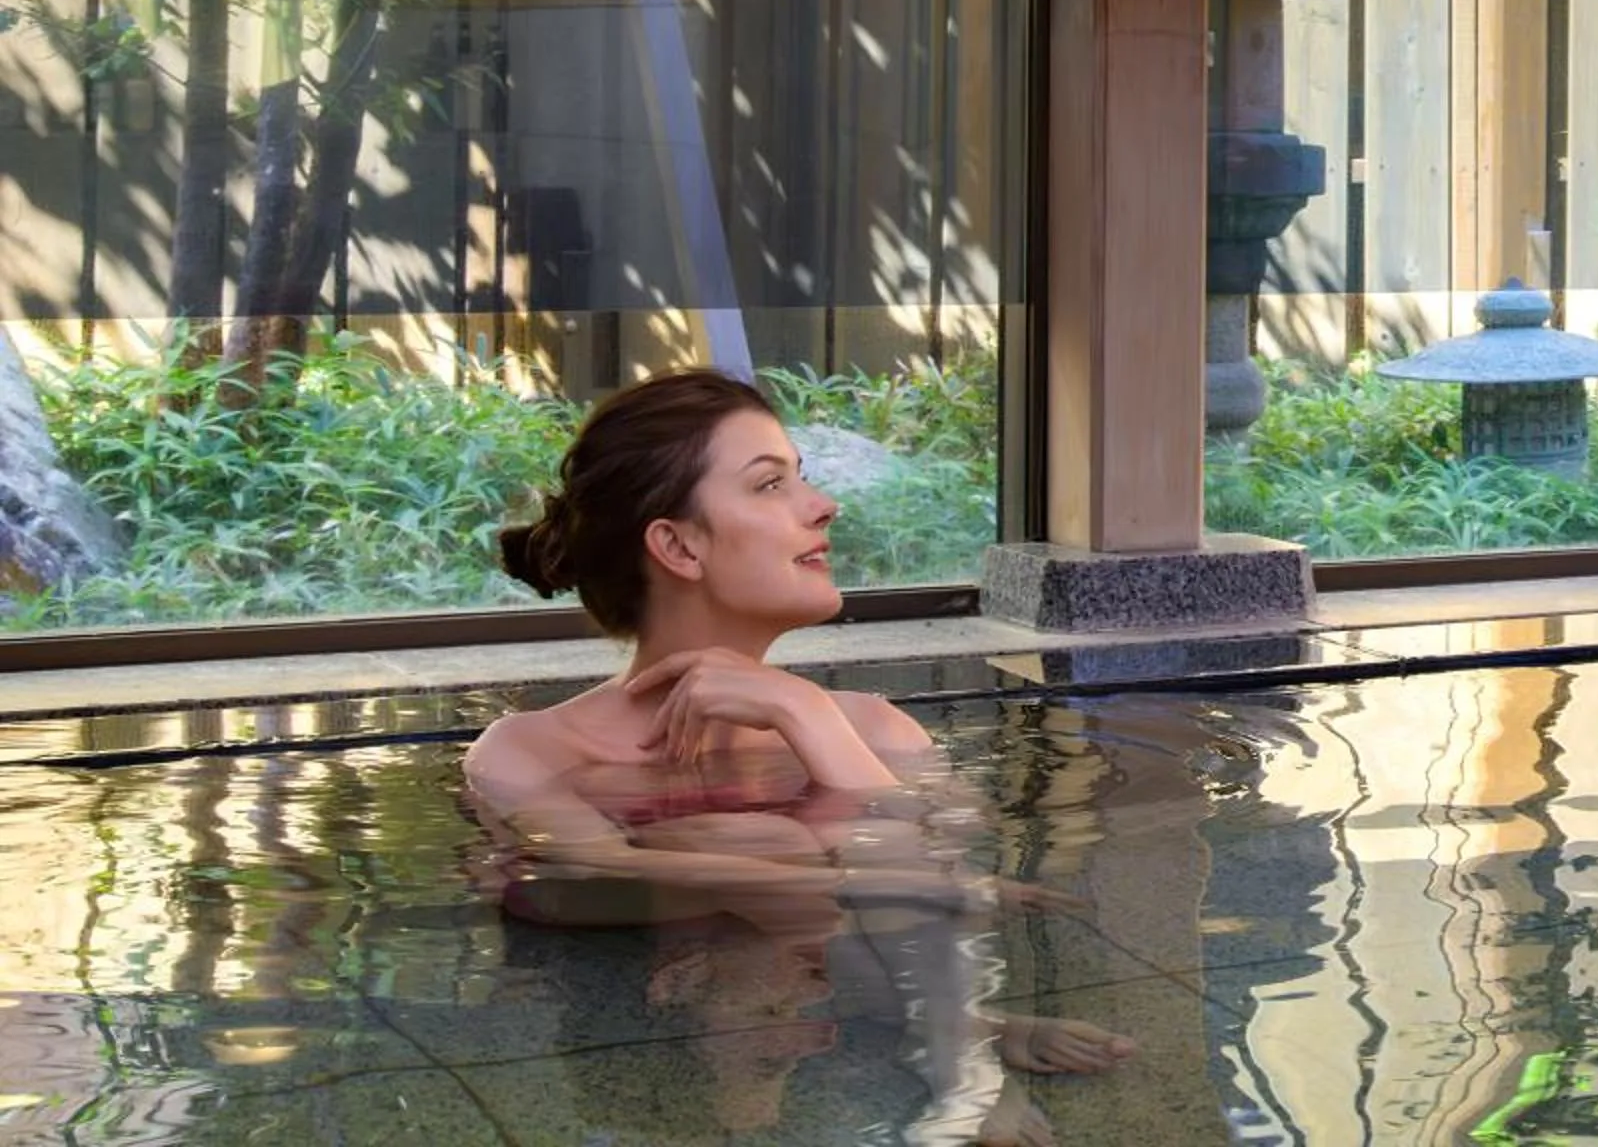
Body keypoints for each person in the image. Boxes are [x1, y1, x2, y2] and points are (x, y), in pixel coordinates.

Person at [466, 368, 1133, 1142]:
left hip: (783, 967)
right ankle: (960, 1046)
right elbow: (590, 870)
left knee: (775, 835)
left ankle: (960, 1032)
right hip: (643, 955)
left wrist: (803, 711)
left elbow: (949, 851)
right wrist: (825, 866)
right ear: (677, 545)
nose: (823, 506)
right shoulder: (532, 751)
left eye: (802, 480)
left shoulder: (871, 728)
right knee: (760, 836)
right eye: (769, 485)